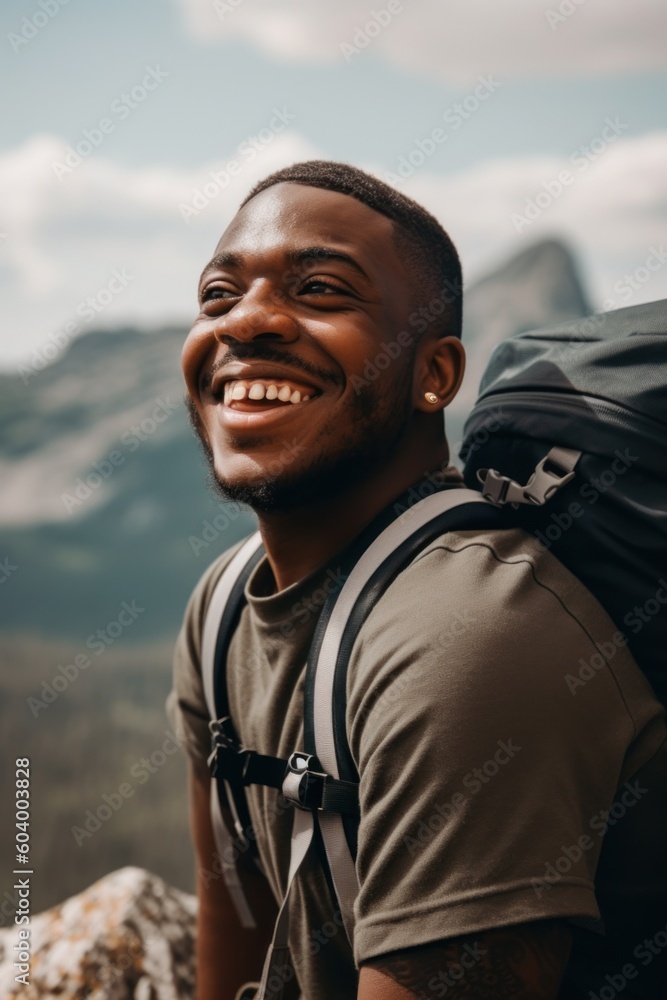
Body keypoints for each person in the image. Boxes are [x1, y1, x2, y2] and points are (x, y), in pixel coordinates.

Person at [167, 161, 667, 1000]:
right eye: (218, 294)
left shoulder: (469, 641)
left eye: (321, 289)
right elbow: (241, 959)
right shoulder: (221, 607)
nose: (245, 320)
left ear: (433, 376)